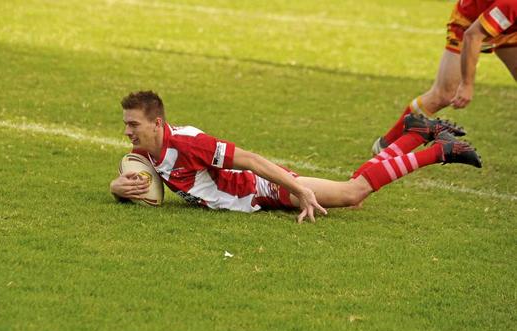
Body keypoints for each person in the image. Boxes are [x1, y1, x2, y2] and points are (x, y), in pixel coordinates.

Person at [110, 91, 482, 223]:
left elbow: (253, 160)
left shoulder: (191, 145)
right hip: (256, 196)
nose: (128, 132)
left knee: (353, 193)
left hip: (262, 188)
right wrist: (117, 187)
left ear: (157, 123)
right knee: (351, 193)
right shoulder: (145, 148)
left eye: (133, 124)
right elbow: (135, 177)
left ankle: (437, 150)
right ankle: (415, 131)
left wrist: (297, 190)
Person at [371, 0, 516, 154]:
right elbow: (473, 35)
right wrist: (467, 85)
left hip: (509, 28)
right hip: (469, 24)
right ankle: (385, 146)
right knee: (443, 95)